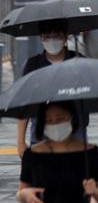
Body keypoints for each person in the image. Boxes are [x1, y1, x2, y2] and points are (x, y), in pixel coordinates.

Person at [17, 101, 98, 203]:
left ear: (72, 118)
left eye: (60, 118)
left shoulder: (91, 153)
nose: (55, 124)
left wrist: (95, 191)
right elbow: (21, 192)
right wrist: (24, 196)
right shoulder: (32, 155)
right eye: (48, 120)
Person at [17, 22, 80, 158]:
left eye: (56, 36)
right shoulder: (32, 65)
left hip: (75, 132)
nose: (52, 40)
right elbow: (24, 103)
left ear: (65, 37)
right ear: (41, 38)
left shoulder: (79, 62)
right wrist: (20, 141)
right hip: (40, 132)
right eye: (47, 36)